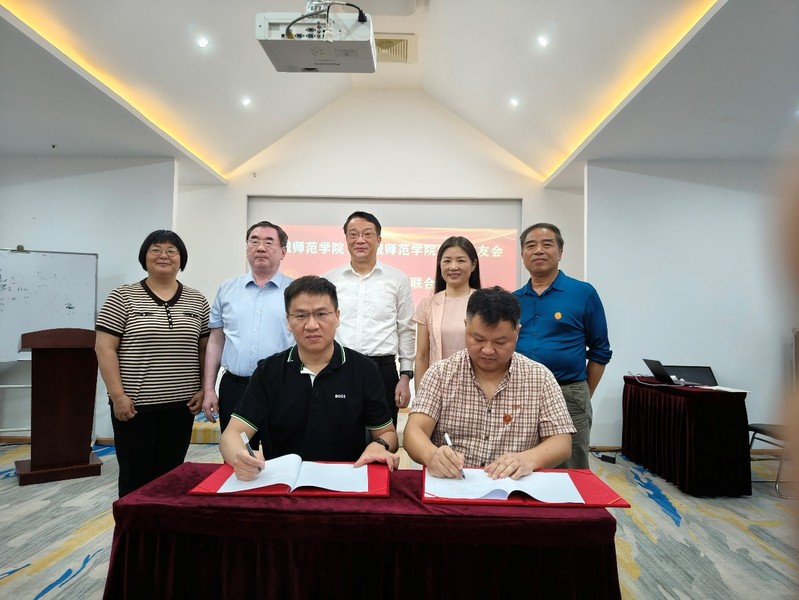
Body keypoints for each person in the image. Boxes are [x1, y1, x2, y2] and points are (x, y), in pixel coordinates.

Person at [219, 275, 400, 481]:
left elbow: (387, 434)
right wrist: (240, 457)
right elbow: (231, 435)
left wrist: (379, 445)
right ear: (288, 321)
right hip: (281, 483)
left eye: (322, 314)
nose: (312, 325)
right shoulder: (268, 371)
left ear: (337, 316)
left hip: (346, 481)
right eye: (301, 315)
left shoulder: (363, 369)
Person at [403, 287, 575, 480]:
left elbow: (561, 441)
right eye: (478, 339)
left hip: (514, 486)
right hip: (454, 483)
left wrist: (529, 459)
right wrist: (432, 455)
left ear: (517, 332)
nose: (487, 350)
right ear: (466, 326)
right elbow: (414, 431)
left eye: (500, 342)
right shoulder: (441, 374)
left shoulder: (540, 378)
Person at [95, 230, 209, 497]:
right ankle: (133, 524)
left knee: (171, 477)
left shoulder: (197, 299)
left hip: (181, 406)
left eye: (172, 251)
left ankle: (164, 523)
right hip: (135, 407)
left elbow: (204, 348)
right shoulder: (122, 296)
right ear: (144, 257)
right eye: (155, 249)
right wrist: (118, 396)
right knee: (135, 478)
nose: (163, 255)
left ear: (181, 259)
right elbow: (104, 348)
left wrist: (204, 388)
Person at [513, 223, 612, 469]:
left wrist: (582, 393)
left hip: (568, 392)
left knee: (571, 465)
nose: (538, 250)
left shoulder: (583, 293)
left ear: (560, 252)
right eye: (530, 246)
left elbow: (600, 351)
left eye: (547, 244)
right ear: (523, 254)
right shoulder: (513, 300)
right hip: (520, 394)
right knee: (522, 463)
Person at [201, 221, 293, 451]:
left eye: (269, 242)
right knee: (238, 456)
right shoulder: (227, 289)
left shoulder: (296, 291)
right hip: (236, 387)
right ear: (246, 248)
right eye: (254, 241)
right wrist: (209, 389)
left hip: (283, 387)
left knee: (283, 457)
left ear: (283, 252)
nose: (260, 247)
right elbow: (216, 341)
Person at [323, 211, 415, 427]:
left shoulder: (397, 279)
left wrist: (405, 376)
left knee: (383, 434)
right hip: (339, 367)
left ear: (379, 240)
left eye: (367, 234)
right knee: (337, 432)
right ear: (346, 239)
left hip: (382, 370)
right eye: (353, 234)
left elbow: (406, 329)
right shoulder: (329, 280)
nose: (360, 240)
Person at [413, 236, 481, 385]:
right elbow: (422, 356)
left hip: (476, 385)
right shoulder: (427, 305)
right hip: (439, 386)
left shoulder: (484, 302)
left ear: (473, 264)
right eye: (447, 261)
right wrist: (421, 394)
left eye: (461, 260)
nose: (453, 267)